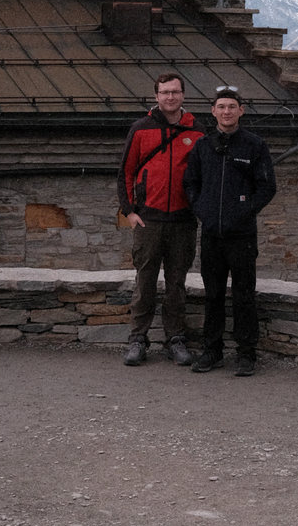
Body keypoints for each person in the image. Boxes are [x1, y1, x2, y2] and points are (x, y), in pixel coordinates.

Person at [182, 86, 276, 377]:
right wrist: (202, 210)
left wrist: (243, 213)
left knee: (244, 294)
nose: (226, 111)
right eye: (221, 106)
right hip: (212, 234)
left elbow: (267, 187)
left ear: (241, 111)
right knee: (212, 295)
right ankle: (212, 351)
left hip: (242, 236)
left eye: (231, 106)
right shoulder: (203, 147)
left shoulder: (254, 145)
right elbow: (190, 183)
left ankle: (247, 354)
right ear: (213, 111)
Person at [117, 72, 204, 367]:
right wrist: (129, 211)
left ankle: (176, 339)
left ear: (183, 95)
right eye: (165, 92)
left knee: (177, 283)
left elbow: (204, 176)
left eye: (175, 92)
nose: (170, 97)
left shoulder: (198, 132)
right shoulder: (141, 129)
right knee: (145, 281)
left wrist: (198, 210)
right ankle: (138, 339)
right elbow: (126, 172)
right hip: (149, 220)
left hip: (183, 220)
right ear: (156, 96)